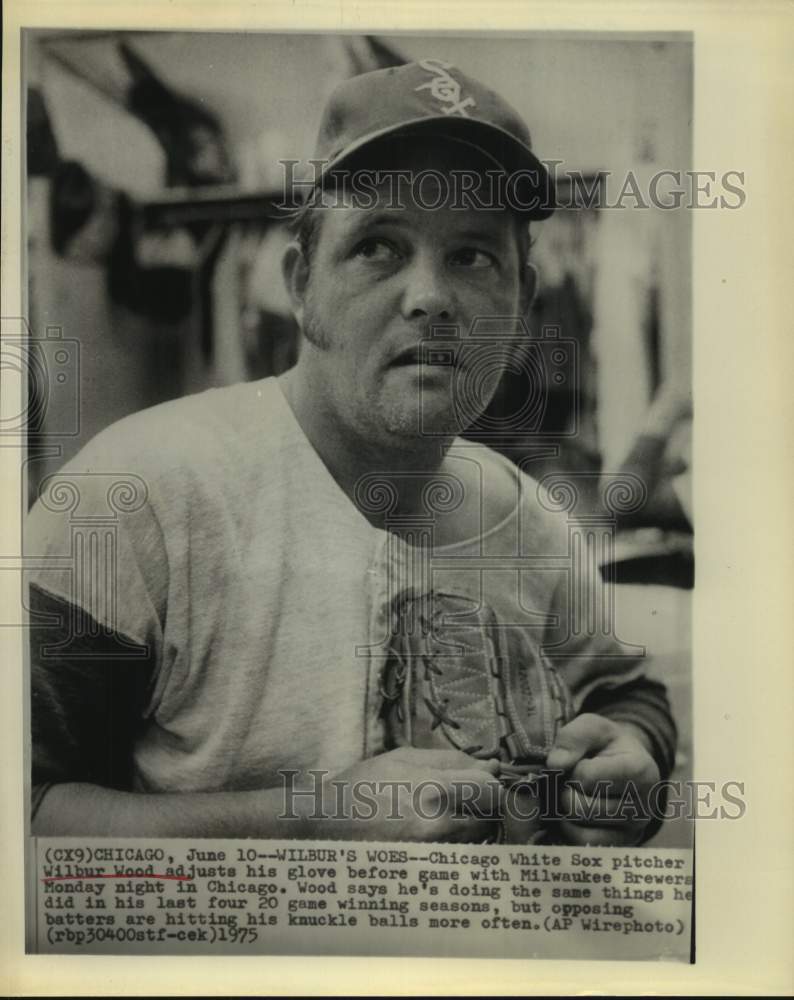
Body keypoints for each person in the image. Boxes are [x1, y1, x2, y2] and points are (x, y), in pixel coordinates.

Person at [27, 59, 676, 845]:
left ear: (522, 306)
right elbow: (19, 812)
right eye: (378, 246)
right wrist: (313, 819)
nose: (430, 295)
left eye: (473, 255)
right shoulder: (135, 495)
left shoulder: (528, 520)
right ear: (301, 285)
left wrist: (633, 752)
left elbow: (626, 693)